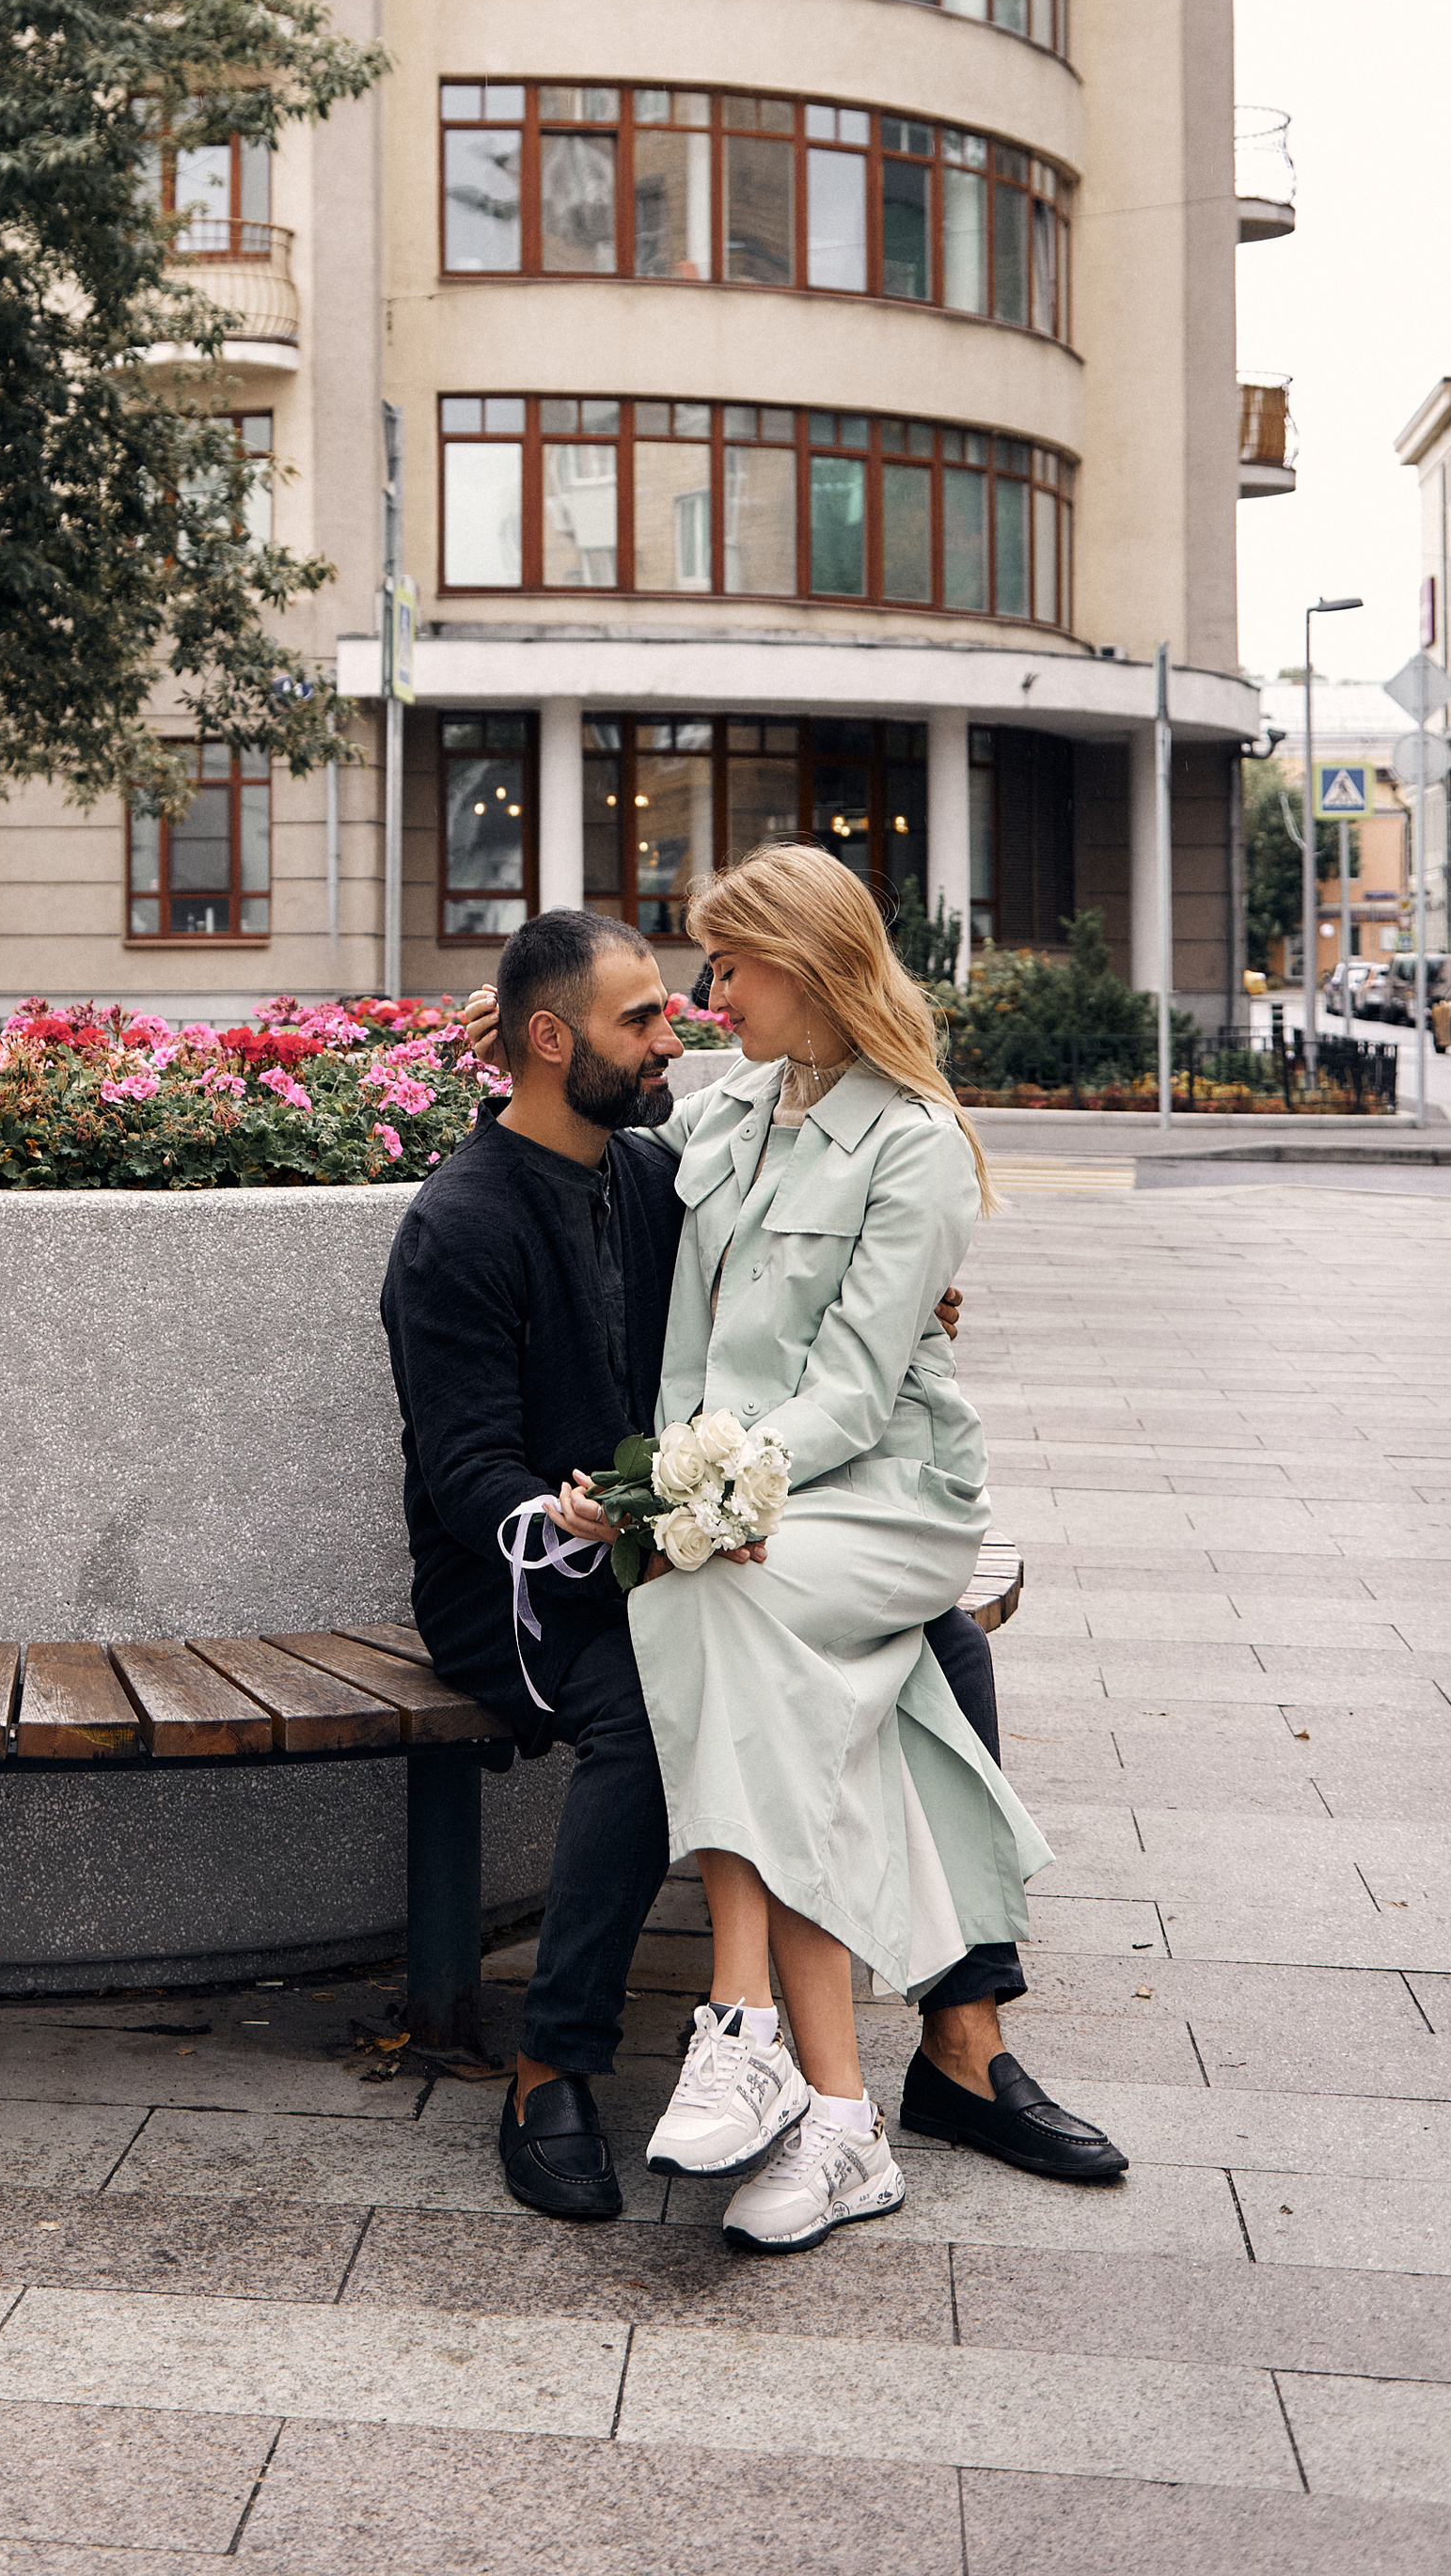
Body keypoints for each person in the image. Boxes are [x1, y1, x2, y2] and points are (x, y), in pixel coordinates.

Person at [400, 904, 1123, 2228]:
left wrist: (913, 1303)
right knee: (656, 1697)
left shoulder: (654, 1159)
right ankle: (554, 2061)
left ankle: (961, 2044)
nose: (685, 1023)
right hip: (523, 1578)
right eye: (649, 1017)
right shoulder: (463, 1221)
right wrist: (576, 1517)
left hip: (678, 1534)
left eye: (696, 996)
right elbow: (463, 1482)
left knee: (935, 1640)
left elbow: (807, 1226)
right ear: (559, 1044)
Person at [591, 841, 1080, 2253]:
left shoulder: (915, 1140)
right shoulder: (733, 1112)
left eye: (731, 966)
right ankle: (837, 2114)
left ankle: (747, 2031)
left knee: (700, 1604)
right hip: (753, 1505)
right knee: (739, 1648)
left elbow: (859, 1397)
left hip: (883, 1498)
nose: (710, 992)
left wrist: (720, 1494)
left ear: (807, 966)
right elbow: (595, 1155)